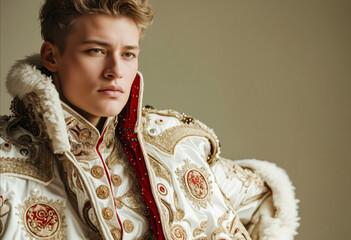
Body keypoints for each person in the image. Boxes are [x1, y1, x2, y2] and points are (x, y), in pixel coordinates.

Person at [0, 0, 299, 239]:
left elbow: (268, 202)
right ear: (51, 56)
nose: (115, 70)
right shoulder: (5, 163)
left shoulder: (179, 144)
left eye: (128, 54)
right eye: (96, 50)